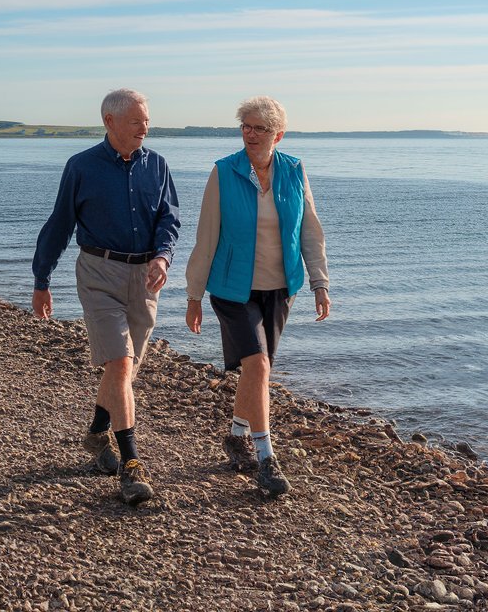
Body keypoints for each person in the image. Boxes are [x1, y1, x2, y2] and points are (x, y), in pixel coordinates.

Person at [31, 88, 180, 505]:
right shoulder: (82, 167)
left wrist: (165, 258)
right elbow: (59, 224)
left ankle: (97, 434)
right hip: (98, 272)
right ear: (110, 122)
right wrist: (42, 280)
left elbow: (170, 219)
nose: (145, 128)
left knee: (125, 372)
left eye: (147, 120)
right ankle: (132, 466)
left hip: (146, 276)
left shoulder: (159, 166)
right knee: (120, 361)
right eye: (136, 121)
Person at [184, 96, 330, 498]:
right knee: (259, 365)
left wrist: (320, 283)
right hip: (232, 289)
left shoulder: (294, 171)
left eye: (259, 128)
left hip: (281, 289)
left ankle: (234, 435)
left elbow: (309, 231)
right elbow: (207, 236)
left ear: (277, 135)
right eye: (245, 127)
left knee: (256, 370)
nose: (250, 134)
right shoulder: (223, 172)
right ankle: (266, 457)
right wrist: (194, 294)